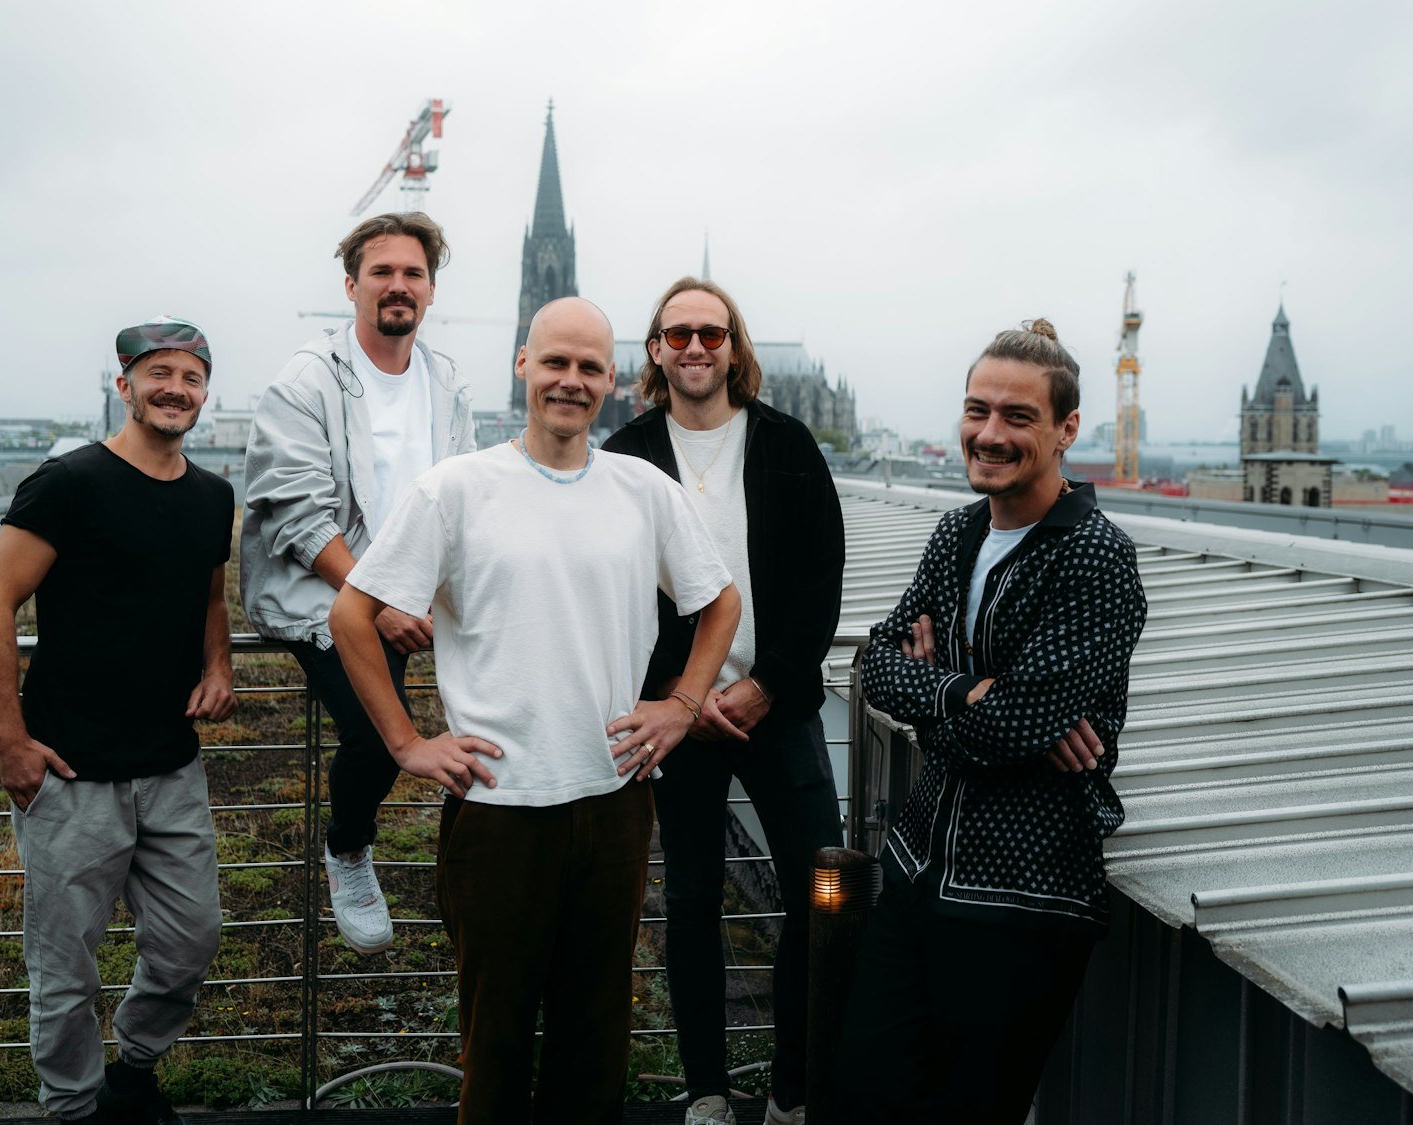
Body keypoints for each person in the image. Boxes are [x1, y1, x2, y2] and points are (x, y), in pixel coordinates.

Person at [329, 297, 742, 1123]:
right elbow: (352, 615)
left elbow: (720, 601)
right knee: (496, 1044)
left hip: (615, 798)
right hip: (498, 807)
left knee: (597, 1043)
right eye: (555, 362)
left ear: (614, 378)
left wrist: (682, 704)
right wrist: (407, 743)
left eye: (590, 367)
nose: (571, 381)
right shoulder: (457, 488)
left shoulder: (643, 489)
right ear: (523, 363)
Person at [835, 319, 1148, 1122]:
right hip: (916, 868)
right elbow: (875, 665)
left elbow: (1009, 725)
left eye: (1018, 416)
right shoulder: (958, 531)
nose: (990, 432)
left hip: (1021, 897)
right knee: (861, 1097)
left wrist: (945, 697)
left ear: (1066, 429)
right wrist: (966, 693)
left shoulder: (1094, 557)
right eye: (978, 410)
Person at [0, 316, 238, 1124]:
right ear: (124, 385)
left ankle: (134, 1069)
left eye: (191, 377)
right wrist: (10, 742)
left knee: (191, 938)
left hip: (171, 767)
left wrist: (219, 666)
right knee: (64, 969)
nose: (175, 389)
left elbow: (210, 596)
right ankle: (73, 1105)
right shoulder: (69, 482)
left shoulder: (213, 495)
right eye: (159, 373)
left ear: (204, 393)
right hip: (69, 770)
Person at [601, 278, 845, 1125]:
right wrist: (684, 693)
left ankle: (792, 1087)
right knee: (692, 902)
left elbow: (819, 582)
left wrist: (765, 683)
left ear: (734, 345)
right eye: (679, 335)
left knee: (822, 893)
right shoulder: (626, 453)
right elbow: (617, 593)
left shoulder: (788, 443)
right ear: (656, 351)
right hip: (679, 721)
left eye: (711, 333)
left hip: (779, 710)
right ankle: (706, 1088)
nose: (696, 347)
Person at [241, 212, 476, 955]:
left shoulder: (445, 381)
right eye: (382, 272)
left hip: (418, 591)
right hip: (325, 591)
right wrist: (381, 601)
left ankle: (493, 863)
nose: (398, 285)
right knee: (378, 736)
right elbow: (300, 517)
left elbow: (464, 493)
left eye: (413, 273)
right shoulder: (306, 380)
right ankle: (348, 847)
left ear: (430, 290)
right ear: (351, 286)